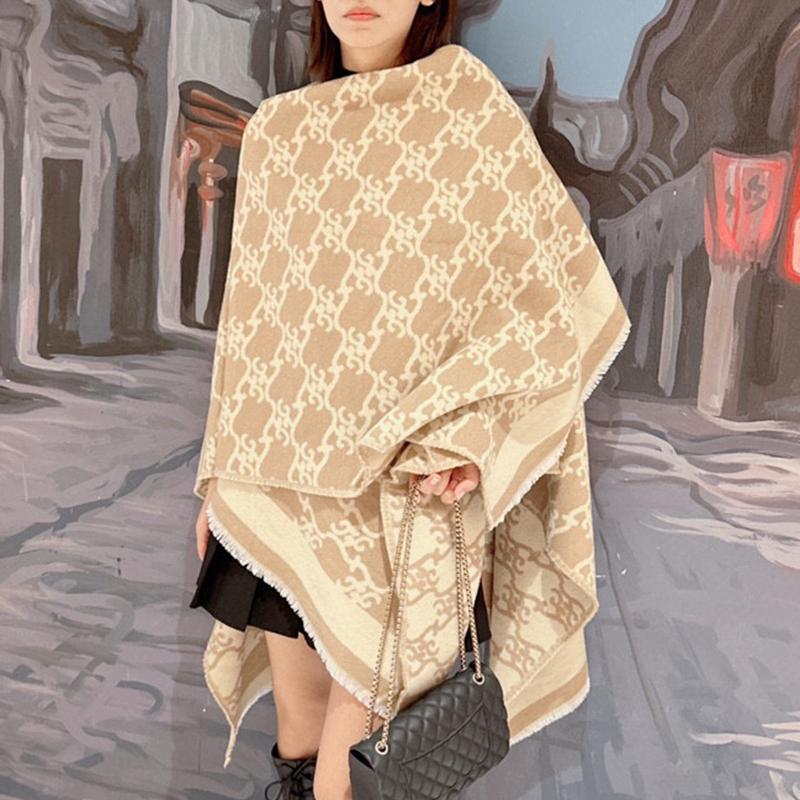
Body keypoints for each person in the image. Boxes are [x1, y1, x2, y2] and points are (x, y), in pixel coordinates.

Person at [190, 3, 493, 798]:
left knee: (352, 770)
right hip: (282, 479)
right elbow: (251, 321)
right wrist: (215, 477)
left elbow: (527, 302)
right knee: (299, 735)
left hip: (404, 491)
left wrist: (474, 436)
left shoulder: (467, 110)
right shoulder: (281, 130)